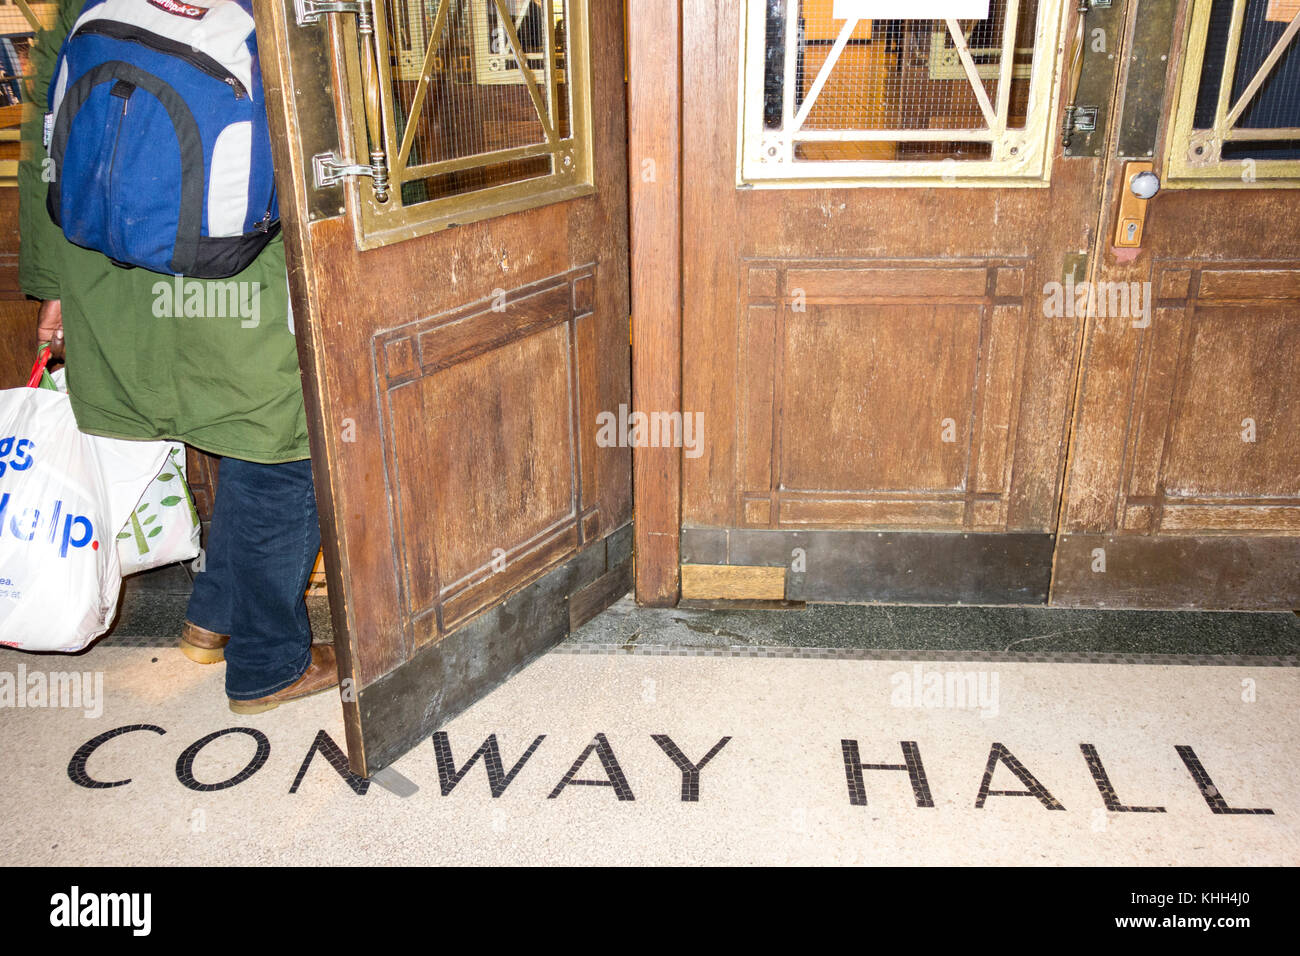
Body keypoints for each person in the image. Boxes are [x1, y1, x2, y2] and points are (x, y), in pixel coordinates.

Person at [19, 0, 336, 714]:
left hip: (104, 254)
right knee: (285, 441)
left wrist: (51, 284)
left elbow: (48, 112)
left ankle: (211, 615)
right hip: (235, 262)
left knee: (246, 431)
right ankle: (268, 662)